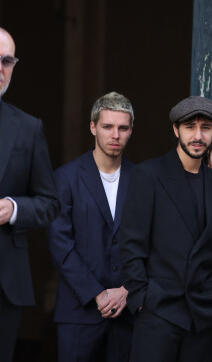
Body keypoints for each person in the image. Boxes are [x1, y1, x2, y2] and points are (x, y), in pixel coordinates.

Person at [120, 96, 212, 362]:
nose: (198, 135)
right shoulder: (148, 175)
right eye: (190, 127)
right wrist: (142, 299)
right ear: (176, 130)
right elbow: (131, 244)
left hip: (202, 317)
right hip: (157, 314)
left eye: (205, 127)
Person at [46, 92, 135, 361]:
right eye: (107, 126)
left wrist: (126, 291)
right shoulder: (65, 178)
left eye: (123, 128)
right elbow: (60, 245)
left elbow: (152, 244)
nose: (115, 135)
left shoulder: (143, 180)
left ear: (131, 130)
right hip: (79, 314)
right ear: (93, 127)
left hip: (127, 314)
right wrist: (97, 294)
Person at [0, 26, 60, 360]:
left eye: (7, 60)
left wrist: (13, 208)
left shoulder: (28, 127)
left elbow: (49, 202)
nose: (1, 68)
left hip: (3, 284)